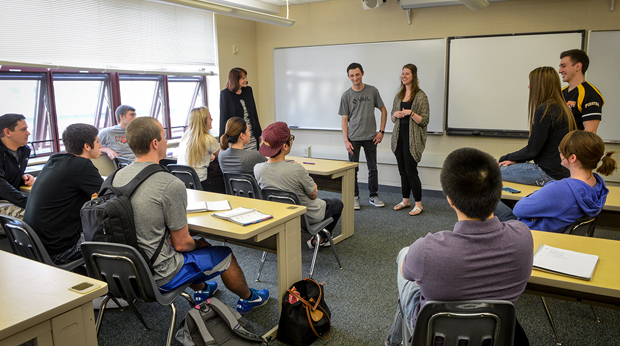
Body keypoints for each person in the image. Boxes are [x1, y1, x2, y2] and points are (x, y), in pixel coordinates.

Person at [115, 117, 269, 313]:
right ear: (155, 143)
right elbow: (182, 245)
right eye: (163, 137)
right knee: (220, 254)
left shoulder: (115, 177)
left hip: (124, 273)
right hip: (159, 274)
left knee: (182, 247)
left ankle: (203, 290)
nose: (164, 141)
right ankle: (249, 299)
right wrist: (198, 244)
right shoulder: (168, 183)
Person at [385, 147, 533, 346]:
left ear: (450, 200)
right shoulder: (523, 237)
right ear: (498, 194)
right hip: (495, 335)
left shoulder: (427, 250)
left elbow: (404, 272)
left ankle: (393, 341)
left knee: (405, 256)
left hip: (433, 336)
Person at [496, 130, 616, 233]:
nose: (559, 152)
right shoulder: (598, 184)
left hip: (528, 234)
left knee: (487, 200)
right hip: (555, 233)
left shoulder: (560, 189)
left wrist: (539, 200)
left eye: (561, 149)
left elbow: (518, 209)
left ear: (573, 158)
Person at [254, 122, 343, 249]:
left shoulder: (257, 169)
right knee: (337, 203)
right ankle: (321, 238)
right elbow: (313, 195)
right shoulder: (296, 169)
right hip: (306, 217)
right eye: (292, 138)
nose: (292, 141)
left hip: (278, 214)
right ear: (285, 146)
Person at [23, 124, 103, 264]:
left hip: (36, 246)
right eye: (97, 141)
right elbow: (108, 196)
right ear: (87, 146)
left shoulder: (54, 159)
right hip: (60, 250)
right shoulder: (83, 165)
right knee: (114, 238)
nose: (100, 145)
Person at [498, 66, 577, 186]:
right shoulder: (563, 108)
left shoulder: (545, 110)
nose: (529, 86)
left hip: (547, 173)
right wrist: (514, 158)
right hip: (562, 172)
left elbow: (532, 150)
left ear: (540, 85)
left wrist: (504, 158)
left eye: (531, 83)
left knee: (493, 170)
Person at [339, 62, 387, 209]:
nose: (355, 78)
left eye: (357, 74)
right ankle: (354, 197)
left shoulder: (372, 91)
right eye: (352, 75)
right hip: (353, 138)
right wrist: (346, 140)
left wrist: (381, 131)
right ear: (348, 76)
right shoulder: (346, 95)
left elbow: (383, 110)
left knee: (373, 168)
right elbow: (344, 119)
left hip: (371, 137)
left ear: (362, 74)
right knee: (353, 169)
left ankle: (373, 195)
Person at [390, 64, 430, 216]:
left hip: (413, 139)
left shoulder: (421, 96)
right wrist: (396, 115)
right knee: (402, 171)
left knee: (411, 171)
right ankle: (405, 200)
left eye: (407, 73)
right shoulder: (399, 95)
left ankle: (418, 204)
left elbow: (425, 120)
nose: (404, 76)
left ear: (413, 75)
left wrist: (411, 113)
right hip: (399, 137)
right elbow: (393, 118)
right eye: (402, 74)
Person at [177, 107, 223, 192]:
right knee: (222, 180)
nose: (212, 120)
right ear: (203, 121)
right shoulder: (208, 139)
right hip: (201, 184)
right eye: (210, 118)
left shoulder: (185, 136)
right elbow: (223, 158)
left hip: (183, 184)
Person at [559, 49, 604, 134]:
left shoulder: (590, 93)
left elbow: (590, 132)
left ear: (578, 66)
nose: (560, 71)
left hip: (573, 146)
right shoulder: (561, 92)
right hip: (558, 146)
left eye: (563, 66)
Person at [0, 113, 33, 220]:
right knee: (33, 216)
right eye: (23, 130)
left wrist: (22, 178)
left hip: (8, 199)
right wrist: (26, 202)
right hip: (2, 202)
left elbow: (6, 176)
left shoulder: (24, 150)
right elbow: (1, 184)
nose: (28, 133)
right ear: (7, 132)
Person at [219, 68, 262, 150]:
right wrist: (222, 139)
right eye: (243, 78)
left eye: (246, 77)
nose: (246, 80)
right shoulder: (225, 94)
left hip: (251, 136)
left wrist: (258, 132)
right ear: (235, 79)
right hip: (237, 138)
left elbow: (254, 113)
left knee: (253, 159)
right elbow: (223, 117)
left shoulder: (248, 90)